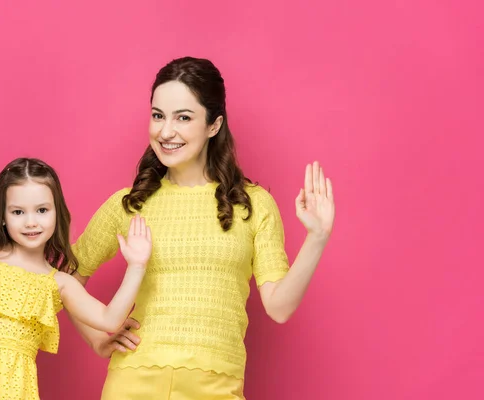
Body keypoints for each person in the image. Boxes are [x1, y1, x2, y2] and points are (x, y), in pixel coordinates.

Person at [70, 57, 336, 399]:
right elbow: (63, 277)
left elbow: (279, 307)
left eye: (183, 117)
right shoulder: (130, 203)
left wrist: (317, 238)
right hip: (133, 380)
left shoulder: (252, 205)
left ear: (214, 125)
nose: (165, 131)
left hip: (216, 385)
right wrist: (97, 336)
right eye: (157, 115)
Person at [0, 157, 152, 399]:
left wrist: (136, 265)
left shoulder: (59, 282)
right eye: (18, 212)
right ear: (3, 216)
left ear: (56, 212)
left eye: (42, 210)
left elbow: (109, 320)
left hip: (14, 388)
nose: (31, 222)